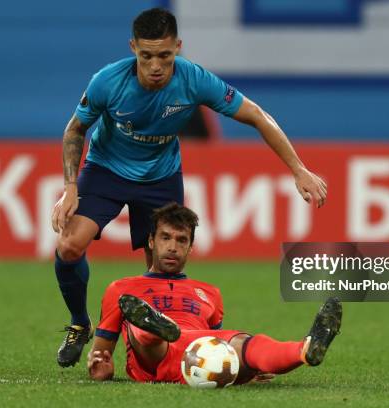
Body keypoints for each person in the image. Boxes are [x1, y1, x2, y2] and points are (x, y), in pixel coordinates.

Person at [51, 7, 328, 367]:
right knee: (70, 245)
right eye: (146, 55)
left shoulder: (195, 80)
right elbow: (75, 129)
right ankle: (80, 322)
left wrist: (299, 169)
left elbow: (257, 115)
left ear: (177, 48)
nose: (155, 66)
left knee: (160, 273)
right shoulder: (108, 81)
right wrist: (70, 186)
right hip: (106, 169)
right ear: (133, 47)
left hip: (160, 176)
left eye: (165, 56)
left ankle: (150, 355)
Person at [86, 203, 342, 384]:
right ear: (151, 241)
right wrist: (100, 366)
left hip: (196, 355)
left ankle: (305, 350)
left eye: (181, 240)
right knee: (144, 332)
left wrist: (243, 367)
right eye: (165, 238)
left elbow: (216, 342)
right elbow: (101, 352)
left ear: (191, 247)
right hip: (153, 361)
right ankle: (154, 326)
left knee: (242, 342)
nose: (173, 247)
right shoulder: (122, 289)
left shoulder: (209, 293)